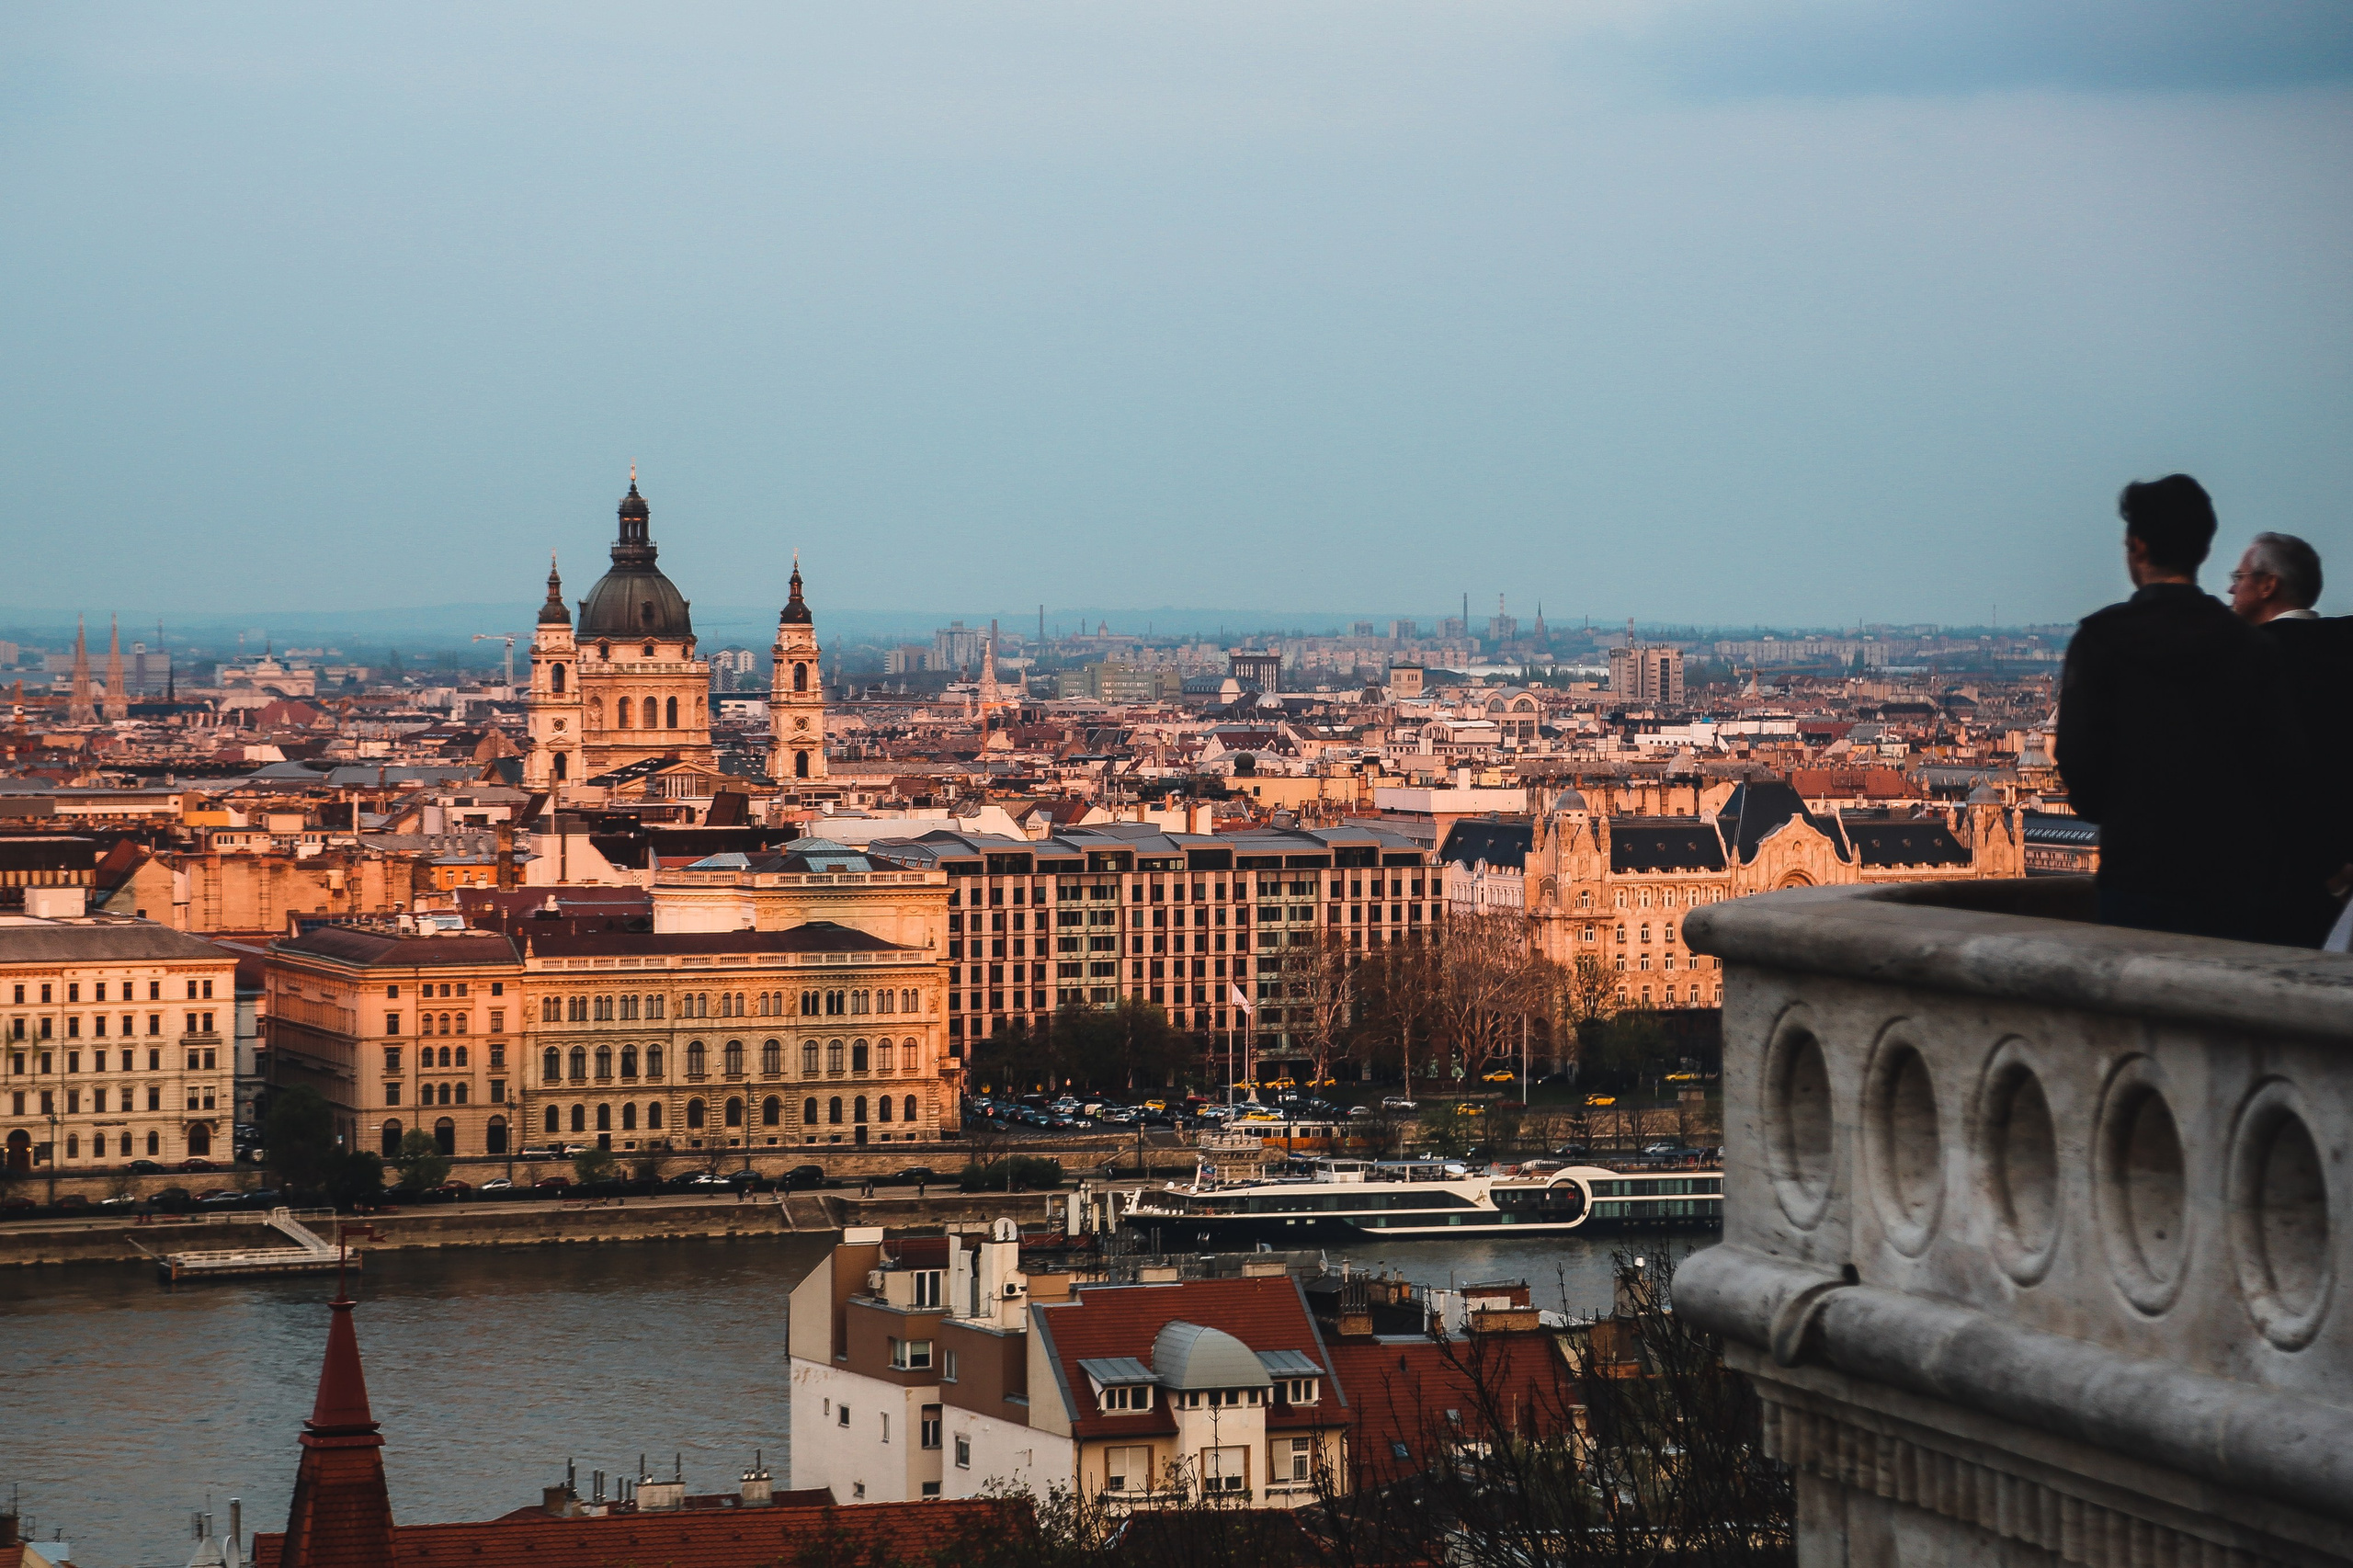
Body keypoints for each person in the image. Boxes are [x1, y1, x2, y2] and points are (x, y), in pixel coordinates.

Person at [2056, 475, 2325, 944]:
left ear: (2136, 547)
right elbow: (2285, 767)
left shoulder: (2101, 640)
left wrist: (2126, 814)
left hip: (2134, 870)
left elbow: (2081, 767)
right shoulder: (2253, 647)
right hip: (2230, 877)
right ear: (2203, 551)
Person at [2229, 531, 2353, 921]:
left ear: (2268, 585)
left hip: (2275, 875)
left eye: (2240, 576)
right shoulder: (2342, 645)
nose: (2232, 586)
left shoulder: (2244, 661)